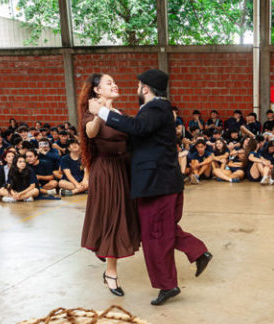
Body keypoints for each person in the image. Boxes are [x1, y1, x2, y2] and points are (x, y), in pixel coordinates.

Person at [90, 68, 211, 306]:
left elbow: (138, 128)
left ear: (145, 88)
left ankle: (168, 285)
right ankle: (198, 252)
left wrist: (102, 112)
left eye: (138, 86)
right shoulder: (153, 110)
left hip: (157, 184)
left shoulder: (157, 108)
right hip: (157, 183)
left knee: (155, 235)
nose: (136, 90)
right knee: (160, 230)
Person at [80, 73, 141, 297]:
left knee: (119, 220)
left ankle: (103, 250)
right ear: (97, 90)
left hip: (123, 170)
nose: (114, 85)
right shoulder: (90, 113)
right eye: (109, 83)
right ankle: (111, 273)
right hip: (105, 172)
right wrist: (97, 114)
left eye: (114, 82)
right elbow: (90, 132)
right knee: (113, 221)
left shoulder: (120, 113)